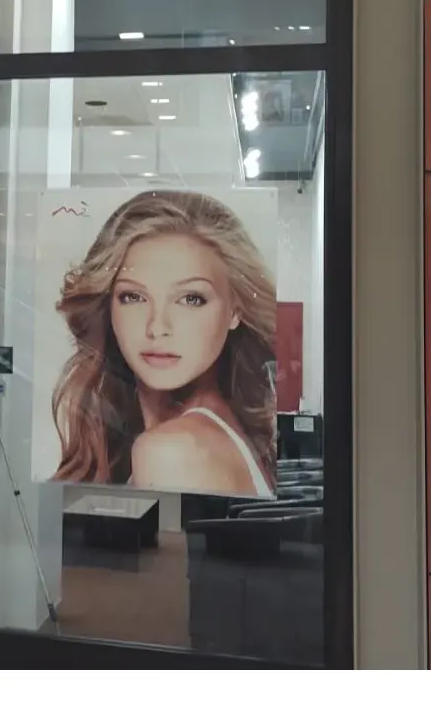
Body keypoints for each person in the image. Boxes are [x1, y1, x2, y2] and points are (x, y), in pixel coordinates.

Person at [51, 190, 276, 498]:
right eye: (133, 297)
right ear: (108, 305)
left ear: (235, 311)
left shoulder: (174, 450)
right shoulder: (217, 430)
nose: (157, 327)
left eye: (191, 299)